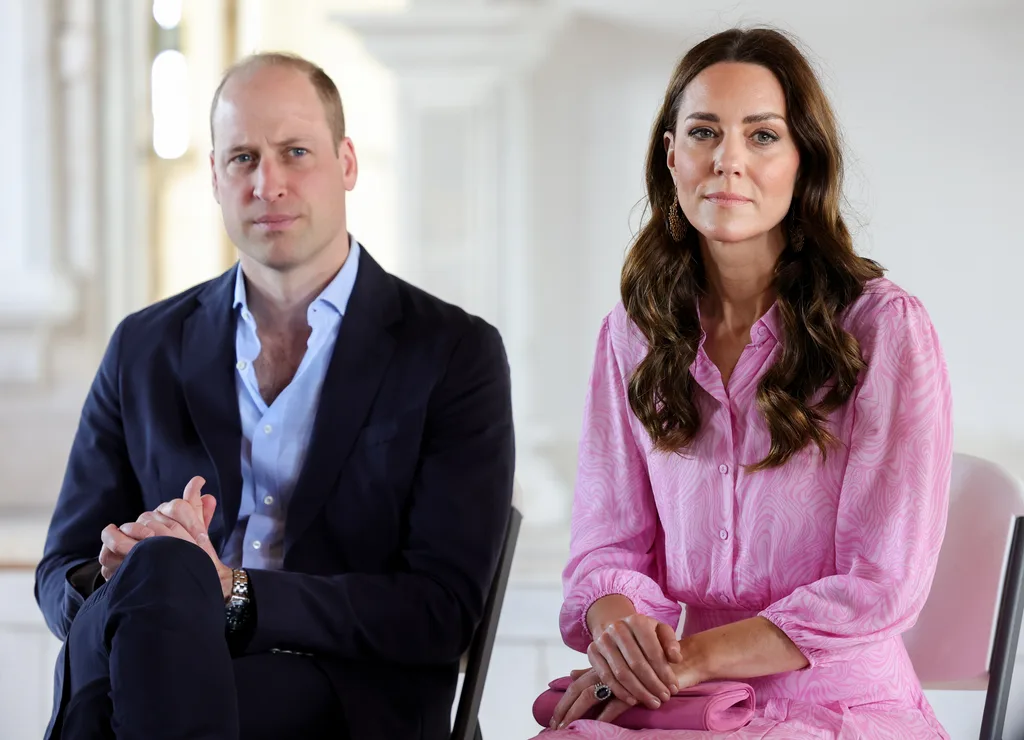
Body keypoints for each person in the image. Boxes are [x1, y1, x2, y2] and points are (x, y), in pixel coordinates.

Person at [35, 52, 515, 740]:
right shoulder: (142, 347)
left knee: (143, 643)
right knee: (160, 570)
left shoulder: (452, 353)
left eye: (295, 152)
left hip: (347, 692)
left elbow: (439, 610)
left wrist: (230, 590)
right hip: (151, 659)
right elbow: (61, 570)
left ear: (346, 162)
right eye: (242, 158)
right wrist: (114, 571)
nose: (268, 182)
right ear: (214, 176)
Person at [539, 28, 952, 740]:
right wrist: (622, 639)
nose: (727, 159)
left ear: (803, 161)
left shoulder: (885, 329)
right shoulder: (632, 334)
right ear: (672, 155)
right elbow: (607, 546)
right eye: (704, 132)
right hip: (684, 699)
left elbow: (879, 585)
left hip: (837, 706)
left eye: (762, 136)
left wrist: (691, 658)